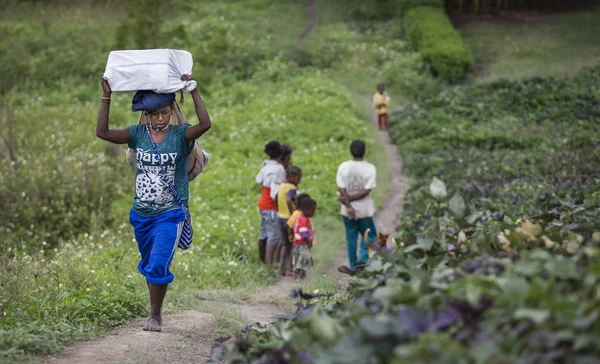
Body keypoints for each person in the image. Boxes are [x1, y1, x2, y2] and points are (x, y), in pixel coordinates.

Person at [96, 74, 211, 332]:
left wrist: (194, 91)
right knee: (149, 265)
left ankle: (155, 316)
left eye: (165, 113)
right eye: (154, 114)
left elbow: (205, 124)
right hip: (141, 214)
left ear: (172, 111)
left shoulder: (181, 135)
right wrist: (106, 97)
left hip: (170, 213)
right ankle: (155, 308)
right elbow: (101, 132)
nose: (160, 118)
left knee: (159, 263)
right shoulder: (136, 134)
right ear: (146, 115)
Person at [336, 140, 377, 276]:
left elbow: (341, 188)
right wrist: (352, 201)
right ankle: (363, 259)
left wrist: (348, 204)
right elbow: (366, 191)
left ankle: (353, 266)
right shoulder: (370, 168)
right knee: (370, 235)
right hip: (365, 210)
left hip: (347, 211)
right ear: (364, 151)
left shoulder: (343, 167)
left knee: (351, 237)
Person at [255, 141, 286, 266]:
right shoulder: (279, 168)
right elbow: (275, 191)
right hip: (271, 206)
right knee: (273, 236)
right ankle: (269, 265)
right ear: (280, 154)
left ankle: (262, 260)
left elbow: (258, 180)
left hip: (262, 204)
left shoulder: (265, 166)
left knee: (263, 233)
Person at [276, 166, 302, 276]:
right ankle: (290, 269)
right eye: (298, 178)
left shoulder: (281, 186)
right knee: (292, 244)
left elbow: (277, 197)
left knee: (284, 244)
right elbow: (289, 199)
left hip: (280, 216)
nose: (299, 181)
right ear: (291, 177)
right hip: (288, 218)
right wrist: (293, 214)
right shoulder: (291, 188)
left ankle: (280, 268)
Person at [292, 198, 317, 279]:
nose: (313, 213)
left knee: (299, 257)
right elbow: (303, 232)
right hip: (302, 242)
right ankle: (300, 273)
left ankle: (299, 273)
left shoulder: (302, 218)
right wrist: (308, 241)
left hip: (299, 242)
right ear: (306, 210)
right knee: (305, 257)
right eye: (312, 211)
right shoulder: (303, 219)